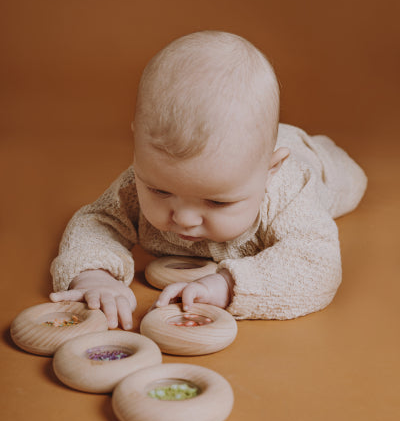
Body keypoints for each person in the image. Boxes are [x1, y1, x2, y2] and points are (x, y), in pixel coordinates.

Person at [49, 30, 367, 330]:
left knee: (352, 182)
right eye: (160, 191)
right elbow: (96, 222)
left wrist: (230, 285)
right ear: (138, 148)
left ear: (269, 172)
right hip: (241, 155)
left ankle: (318, 148)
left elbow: (316, 264)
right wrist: (93, 275)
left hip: (307, 157)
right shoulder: (139, 179)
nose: (184, 219)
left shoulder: (289, 189)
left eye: (217, 201)